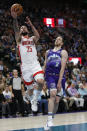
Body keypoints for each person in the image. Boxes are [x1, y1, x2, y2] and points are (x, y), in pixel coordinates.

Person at [11, 10, 44, 112]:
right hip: (25, 66)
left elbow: (38, 36)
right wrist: (15, 18)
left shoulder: (32, 38)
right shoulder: (19, 39)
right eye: (21, 28)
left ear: (28, 30)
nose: (22, 28)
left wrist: (31, 24)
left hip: (35, 64)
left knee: (40, 81)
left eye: (24, 27)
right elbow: (16, 29)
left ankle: (34, 99)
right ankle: (31, 99)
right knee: (29, 89)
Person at [44, 36, 68, 129]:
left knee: (57, 100)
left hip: (59, 77)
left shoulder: (63, 52)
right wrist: (42, 76)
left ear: (62, 43)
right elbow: (45, 64)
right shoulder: (48, 52)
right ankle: (49, 119)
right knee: (52, 94)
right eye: (56, 39)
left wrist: (59, 81)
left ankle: (51, 119)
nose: (57, 40)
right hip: (50, 76)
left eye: (59, 39)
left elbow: (62, 67)